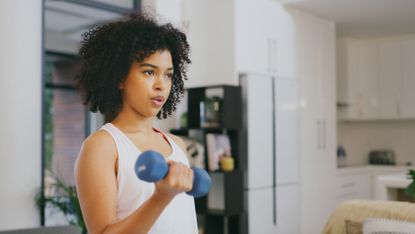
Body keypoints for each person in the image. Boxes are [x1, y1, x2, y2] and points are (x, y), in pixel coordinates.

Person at [74, 13, 197, 234]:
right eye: (149, 72)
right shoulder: (102, 147)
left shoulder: (177, 145)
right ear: (119, 77)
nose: (161, 85)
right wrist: (161, 197)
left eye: (168, 75)